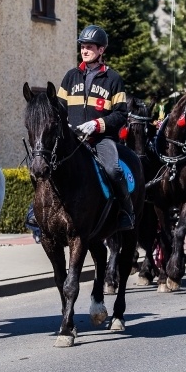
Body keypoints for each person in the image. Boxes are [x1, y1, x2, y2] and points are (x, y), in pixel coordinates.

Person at [56, 24, 134, 231]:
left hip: (101, 140)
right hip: (72, 139)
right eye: (82, 46)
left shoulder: (113, 79)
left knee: (113, 170)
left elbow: (121, 114)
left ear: (101, 50)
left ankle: (126, 211)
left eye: (90, 46)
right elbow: (59, 109)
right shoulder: (70, 76)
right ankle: (35, 213)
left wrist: (97, 124)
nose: (85, 50)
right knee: (47, 166)